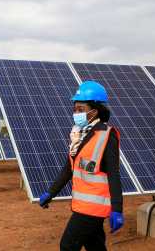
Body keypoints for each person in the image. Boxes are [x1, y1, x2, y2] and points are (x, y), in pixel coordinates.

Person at [39, 81, 124, 251]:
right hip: (83, 205)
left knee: (68, 246)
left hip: (93, 208)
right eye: (75, 109)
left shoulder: (107, 135)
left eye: (81, 109)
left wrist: (117, 209)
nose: (76, 113)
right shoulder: (78, 136)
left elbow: (114, 175)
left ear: (95, 110)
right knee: (95, 246)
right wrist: (51, 192)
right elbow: (69, 169)